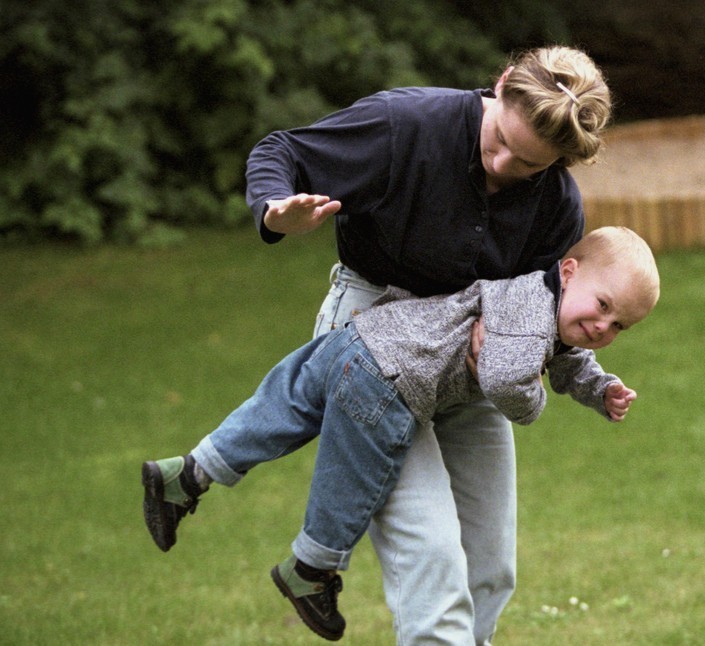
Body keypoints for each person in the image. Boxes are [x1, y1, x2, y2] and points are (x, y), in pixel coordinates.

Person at [166, 45, 612, 644]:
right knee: (432, 561)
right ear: (502, 84)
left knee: (490, 569)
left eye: (529, 164)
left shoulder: (558, 206)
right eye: (500, 140)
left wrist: (527, 357)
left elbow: (542, 310)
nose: (503, 163)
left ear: (560, 162)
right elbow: (282, 152)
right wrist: (276, 212)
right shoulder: (407, 124)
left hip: (471, 358)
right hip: (374, 351)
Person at [142, 226, 660, 641]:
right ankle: (310, 569)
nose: (603, 327)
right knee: (359, 478)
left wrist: (600, 389)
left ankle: (188, 473)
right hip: (390, 383)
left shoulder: (541, 302)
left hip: (358, 337)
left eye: (620, 327)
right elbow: (506, 380)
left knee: (285, 407)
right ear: (568, 272)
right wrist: (536, 400)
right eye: (604, 306)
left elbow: (566, 358)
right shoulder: (530, 318)